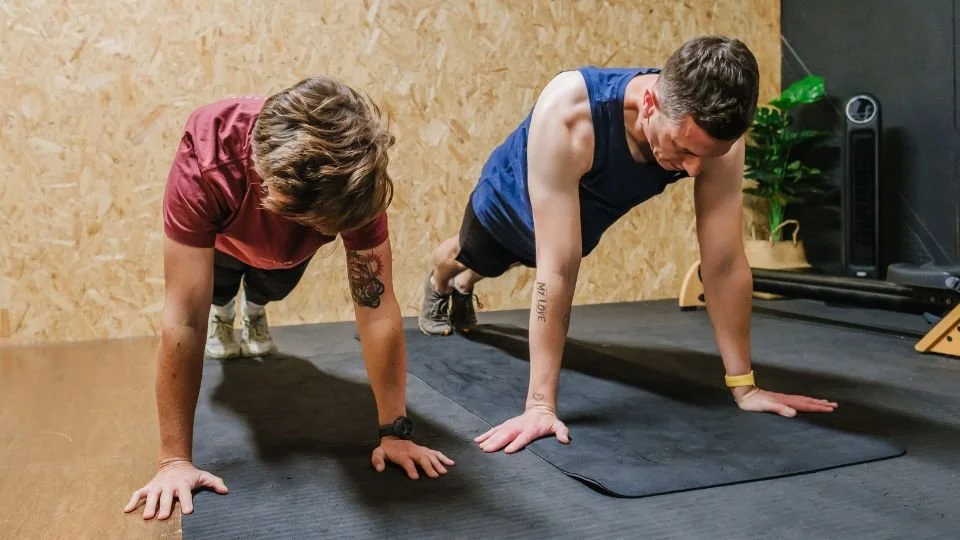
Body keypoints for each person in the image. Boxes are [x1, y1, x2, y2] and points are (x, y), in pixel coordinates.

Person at [419, 35, 839, 454]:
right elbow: (558, 270)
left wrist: (744, 386)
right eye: (683, 150)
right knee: (474, 254)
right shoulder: (570, 112)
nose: (694, 169)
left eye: (705, 157)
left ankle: (466, 284)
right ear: (651, 103)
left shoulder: (713, 145)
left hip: (582, 212)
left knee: (529, 256)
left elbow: (725, 262)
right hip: (508, 200)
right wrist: (540, 406)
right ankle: (443, 284)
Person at [125, 77, 454, 522]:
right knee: (215, 293)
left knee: (273, 282)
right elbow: (183, 318)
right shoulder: (207, 159)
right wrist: (173, 461)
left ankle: (253, 308)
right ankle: (228, 312)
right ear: (272, 188)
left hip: (281, 253)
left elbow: (376, 309)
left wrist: (395, 431)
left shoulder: (354, 180)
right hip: (222, 242)